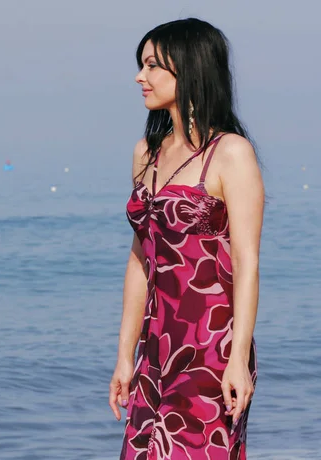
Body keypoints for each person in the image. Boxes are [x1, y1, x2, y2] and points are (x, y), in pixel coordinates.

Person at [109, 18, 264, 459]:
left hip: (211, 342)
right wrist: (124, 355)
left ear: (190, 67)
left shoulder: (230, 153)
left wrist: (238, 359)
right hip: (156, 344)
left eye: (153, 66)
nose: (141, 77)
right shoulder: (146, 153)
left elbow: (247, 262)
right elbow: (141, 259)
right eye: (141, 65)